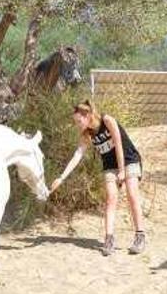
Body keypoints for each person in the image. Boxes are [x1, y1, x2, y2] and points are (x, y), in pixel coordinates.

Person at [50, 100, 146, 255]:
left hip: (129, 160)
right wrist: (61, 178)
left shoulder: (107, 120)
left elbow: (119, 144)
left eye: (79, 121)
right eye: (76, 122)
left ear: (87, 116)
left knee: (132, 195)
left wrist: (122, 171)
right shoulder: (87, 134)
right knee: (110, 198)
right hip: (110, 166)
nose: (78, 124)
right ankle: (109, 239)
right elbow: (78, 155)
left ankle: (140, 236)